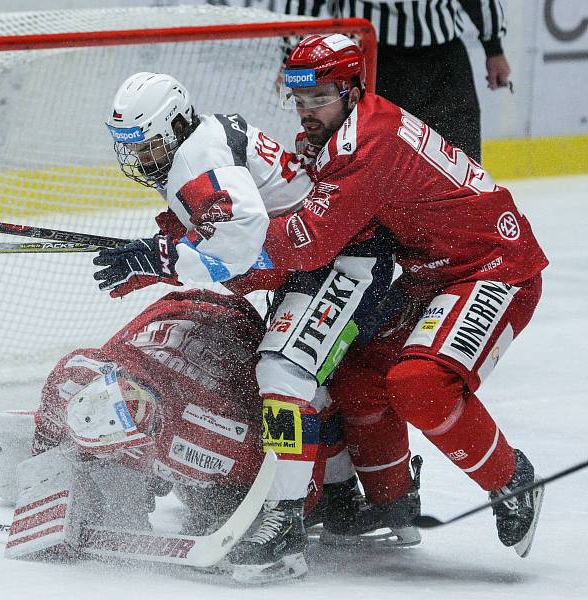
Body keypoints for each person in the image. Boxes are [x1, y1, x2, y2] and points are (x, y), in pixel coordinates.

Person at [93, 72, 399, 582]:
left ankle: (284, 527)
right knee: (309, 383)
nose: (141, 160)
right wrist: (173, 246)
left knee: (283, 373)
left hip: (344, 261)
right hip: (319, 259)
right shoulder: (199, 141)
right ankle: (340, 498)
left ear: (173, 124)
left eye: (148, 146)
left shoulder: (197, 155)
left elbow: (239, 242)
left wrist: (164, 259)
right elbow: (251, 241)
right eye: (133, 149)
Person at [263, 33, 547, 558]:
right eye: (298, 100)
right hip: (431, 274)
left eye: (318, 98)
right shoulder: (339, 131)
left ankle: (513, 480)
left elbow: (310, 243)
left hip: (493, 266)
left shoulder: (366, 142)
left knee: (420, 383)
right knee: (354, 369)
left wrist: (216, 248)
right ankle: (390, 500)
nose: (305, 112)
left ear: (352, 89)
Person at [0, 290, 383, 565]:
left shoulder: (209, 434)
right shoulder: (74, 378)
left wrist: (282, 510)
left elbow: (285, 466)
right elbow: (53, 419)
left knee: (214, 502)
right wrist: (45, 481)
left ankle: (343, 485)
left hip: (233, 330)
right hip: (175, 316)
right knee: (103, 466)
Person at [263, 0, 510, 162]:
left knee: (459, 156)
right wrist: (292, 58)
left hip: (442, 59)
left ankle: (457, 235)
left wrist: (494, 48)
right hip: (368, 58)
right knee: (373, 161)